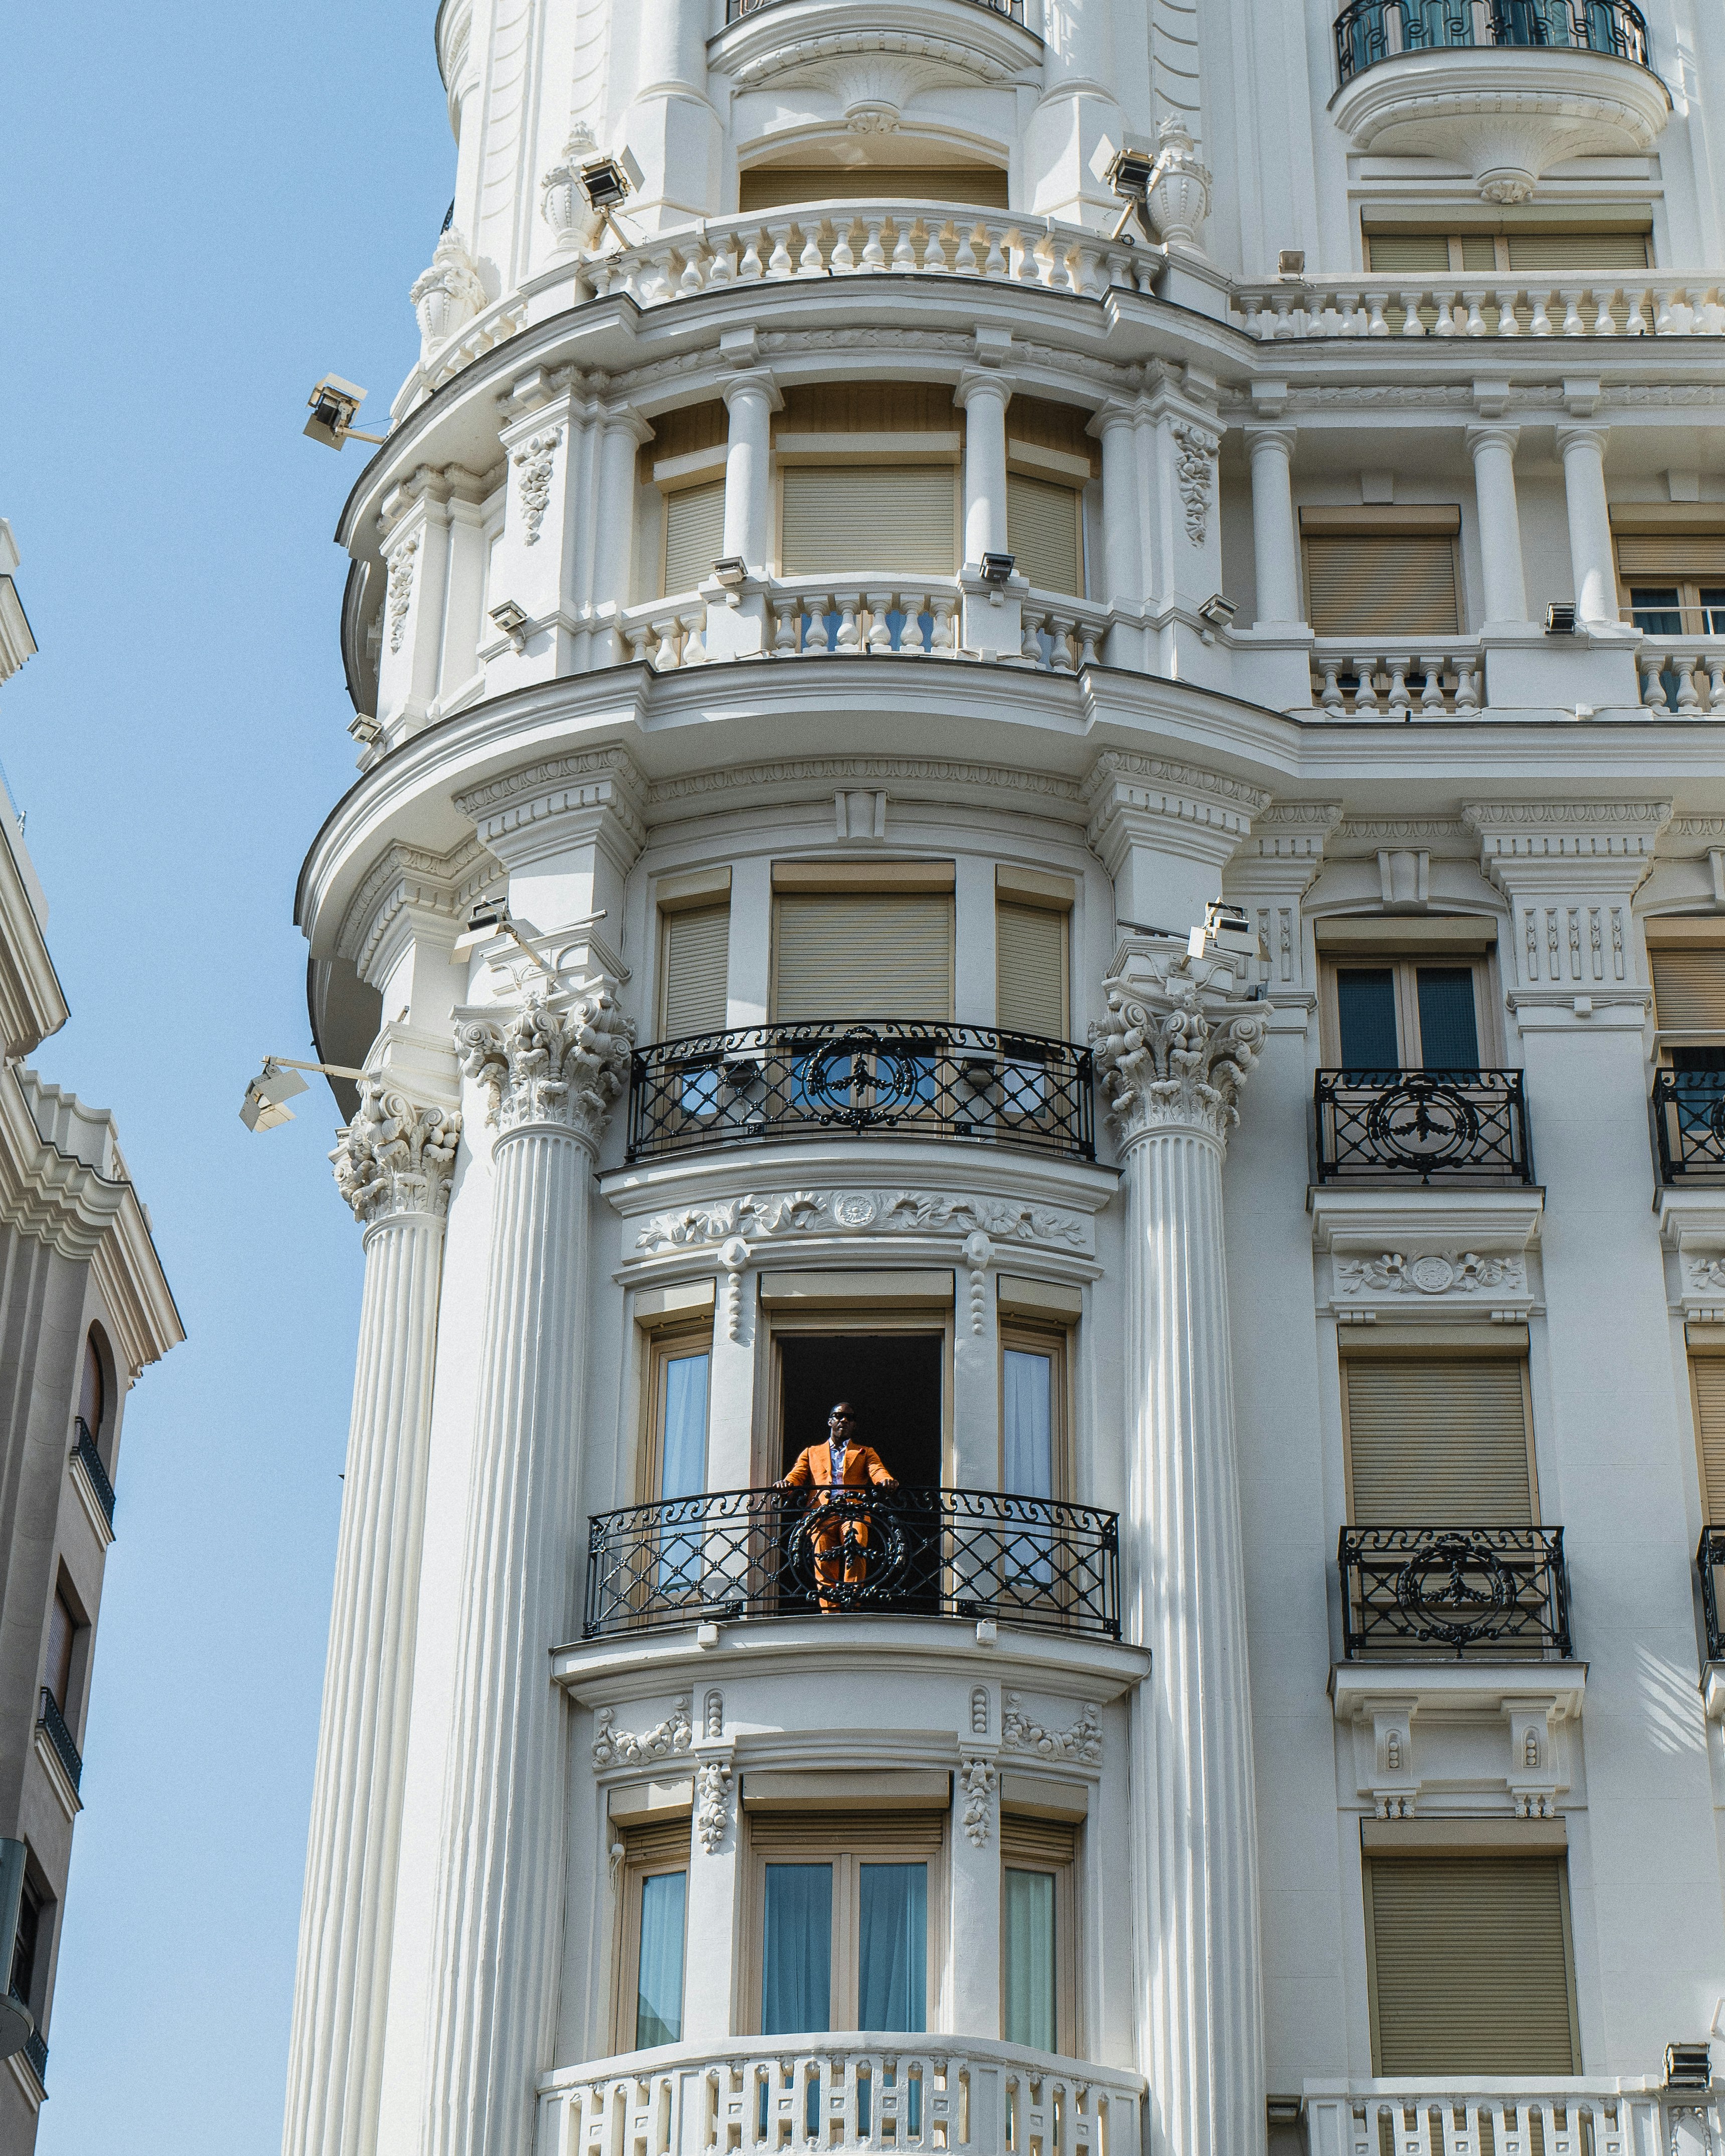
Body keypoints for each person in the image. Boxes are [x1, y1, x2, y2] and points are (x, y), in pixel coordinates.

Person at [778, 1401, 896, 1609]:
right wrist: (787, 1484)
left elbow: (877, 1469)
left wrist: (885, 1480)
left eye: (849, 1418)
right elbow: (798, 1473)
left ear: (854, 1425)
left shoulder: (864, 1452)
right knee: (823, 1562)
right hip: (821, 1514)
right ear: (830, 1421)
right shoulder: (811, 1452)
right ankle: (829, 1611)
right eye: (839, 1416)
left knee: (856, 1549)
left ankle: (851, 1605)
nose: (843, 1420)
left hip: (854, 1511)